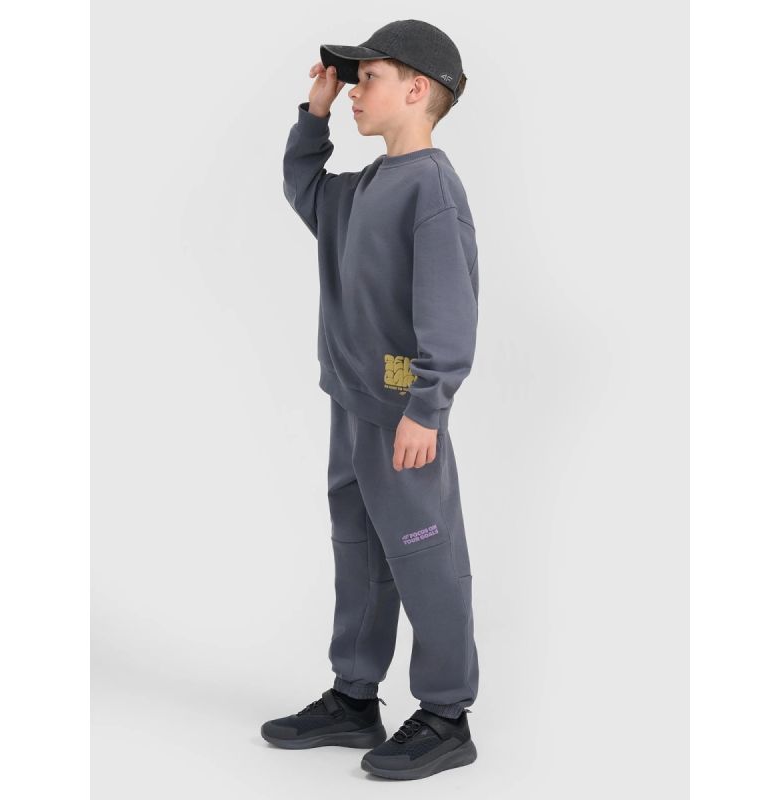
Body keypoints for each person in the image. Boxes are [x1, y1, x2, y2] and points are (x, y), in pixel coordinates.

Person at [261, 19, 481, 780]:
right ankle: (354, 697)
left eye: (369, 78)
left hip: (401, 416)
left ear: (418, 90)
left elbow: (449, 307)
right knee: (358, 551)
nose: (355, 90)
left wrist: (427, 406)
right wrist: (314, 114)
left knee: (425, 557)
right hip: (352, 404)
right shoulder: (364, 188)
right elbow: (305, 188)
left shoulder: (432, 188)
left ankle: (447, 715)